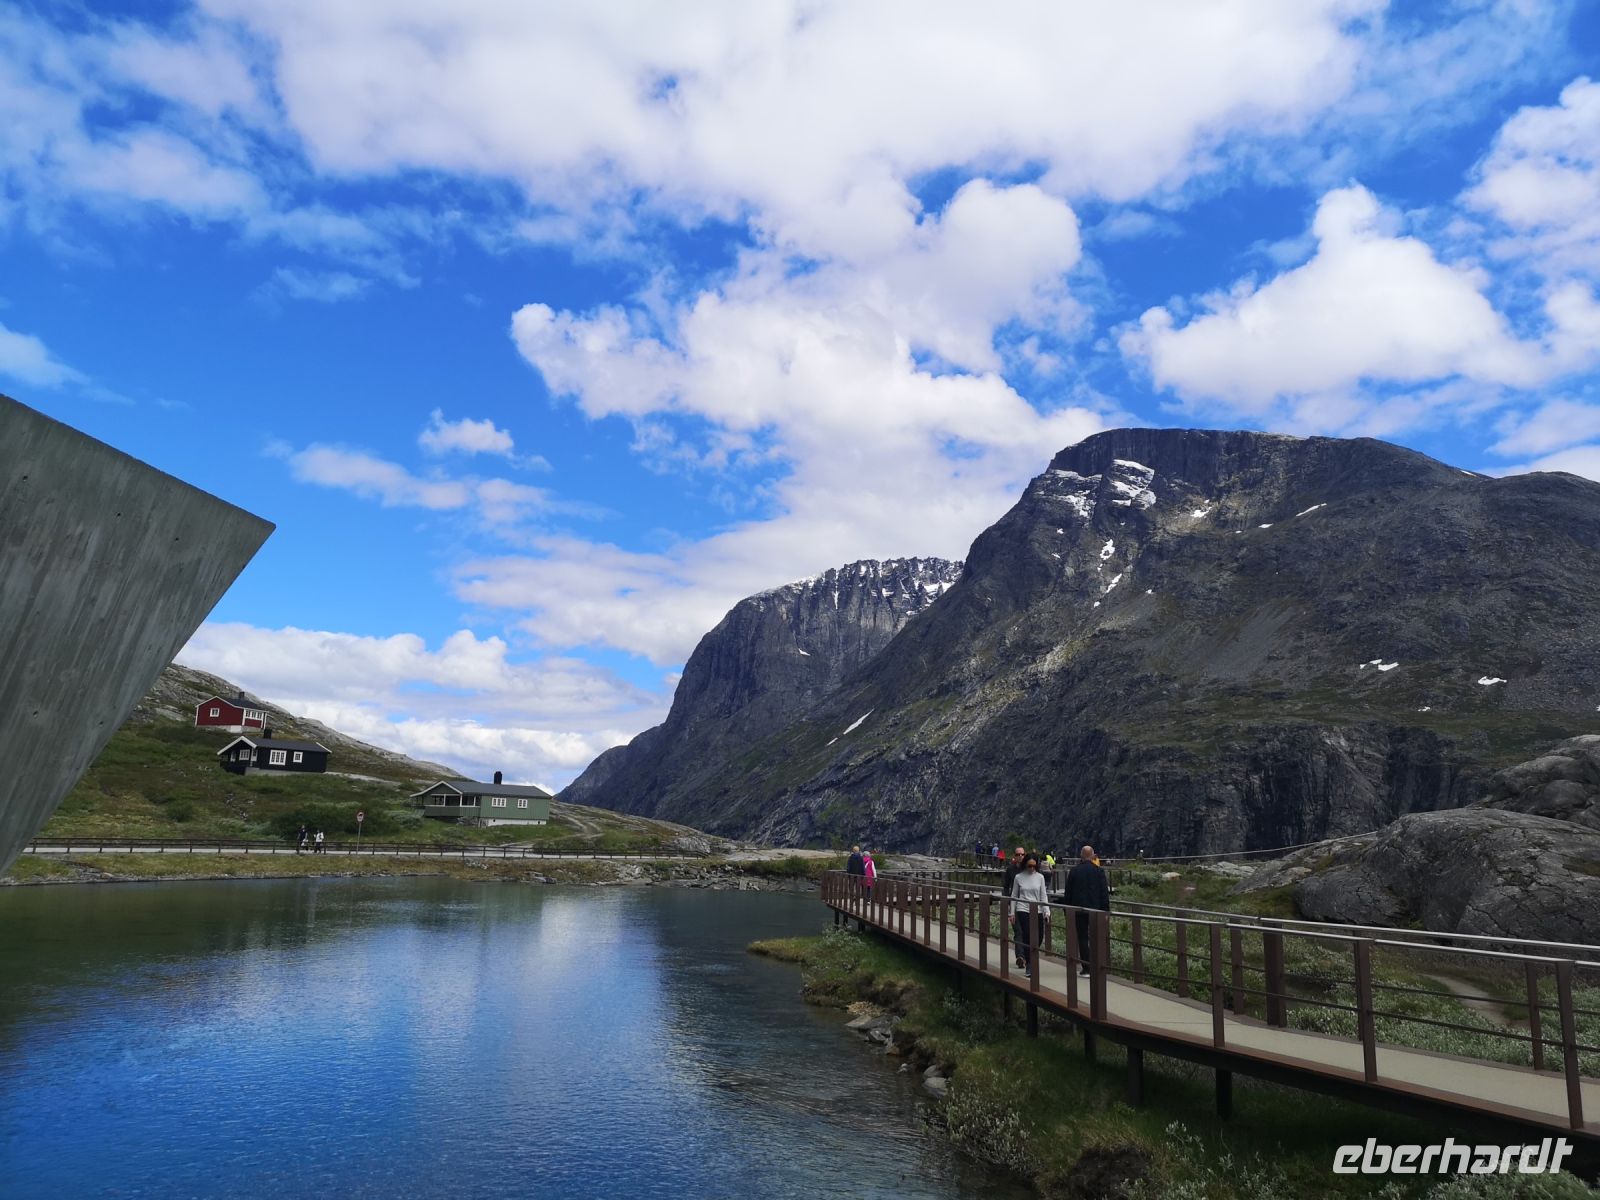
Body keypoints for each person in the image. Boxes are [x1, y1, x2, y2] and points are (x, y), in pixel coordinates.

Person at [1064, 845, 1110, 977]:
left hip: (1079, 910)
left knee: (1083, 938)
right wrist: (1105, 910)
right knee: (1097, 938)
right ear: (1093, 856)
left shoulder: (1074, 871)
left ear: (1081, 856)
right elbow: (1104, 893)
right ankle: (1099, 966)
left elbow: (1068, 893)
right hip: (1096, 910)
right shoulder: (1099, 871)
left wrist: (1067, 910)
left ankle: (1087, 967)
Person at [1010, 855, 1050, 973]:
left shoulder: (1040, 877)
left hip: (1037, 910)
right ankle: (1030, 964)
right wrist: (1012, 913)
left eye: (1034, 866)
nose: (1031, 868)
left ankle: (1031, 959)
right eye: (1029, 866)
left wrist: (1046, 911)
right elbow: (1014, 895)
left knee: (1038, 937)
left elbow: (1043, 895)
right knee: (1027, 937)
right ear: (1025, 865)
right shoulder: (1019, 877)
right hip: (1023, 909)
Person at [1002, 846, 1027, 967]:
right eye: (1018, 854)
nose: (1020, 857)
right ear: (1014, 856)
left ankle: (1026, 955)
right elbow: (1006, 887)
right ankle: (1020, 956)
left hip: (1028, 904)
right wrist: (1007, 903)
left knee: (1028, 932)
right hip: (1014, 904)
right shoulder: (1010, 870)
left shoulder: (1029, 869)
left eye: (1022, 854)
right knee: (1018, 931)